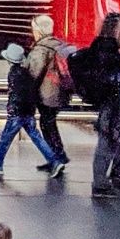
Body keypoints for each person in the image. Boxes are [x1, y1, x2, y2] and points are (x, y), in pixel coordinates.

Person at [0, 41, 68, 177]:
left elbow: (15, 95)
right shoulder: (27, 74)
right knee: (37, 138)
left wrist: (11, 109)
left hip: (17, 113)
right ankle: (55, 161)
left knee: (5, 139)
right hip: (29, 112)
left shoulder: (13, 74)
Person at [79, 11, 120, 198]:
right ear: (117, 28)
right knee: (109, 140)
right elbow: (110, 73)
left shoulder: (103, 46)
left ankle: (113, 178)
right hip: (111, 102)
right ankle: (103, 183)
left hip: (114, 102)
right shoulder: (107, 47)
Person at [22, 14, 73, 166]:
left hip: (47, 94)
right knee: (49, 123)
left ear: (39, 31)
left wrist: (26, 91)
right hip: (60, 91)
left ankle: (57, 157)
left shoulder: (41, 49)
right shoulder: (58, 44)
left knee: (47, 125)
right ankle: (56, 156)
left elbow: (34, 73)